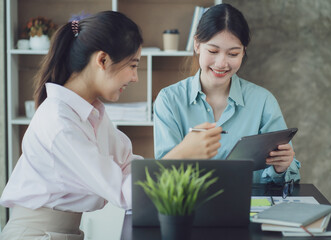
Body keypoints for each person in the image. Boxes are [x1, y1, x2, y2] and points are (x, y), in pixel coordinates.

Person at [0, 11, 222, 240]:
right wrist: (181, 153)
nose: (135, 77)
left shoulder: (91, 113)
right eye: (133, 65)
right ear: (102, 60)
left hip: (60, 233)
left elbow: (128, 166)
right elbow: (124, 194)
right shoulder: (59, 123)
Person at [153, 3, 300, 184]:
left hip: (249, 208)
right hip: (189, 206)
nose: (222, 63)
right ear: (197, 45)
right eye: (213, 51)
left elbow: (287, 178)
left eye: (233, 54)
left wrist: (282, 167)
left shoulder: (263, 101)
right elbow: (161, 175)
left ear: (243, 52)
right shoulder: (169, 100)